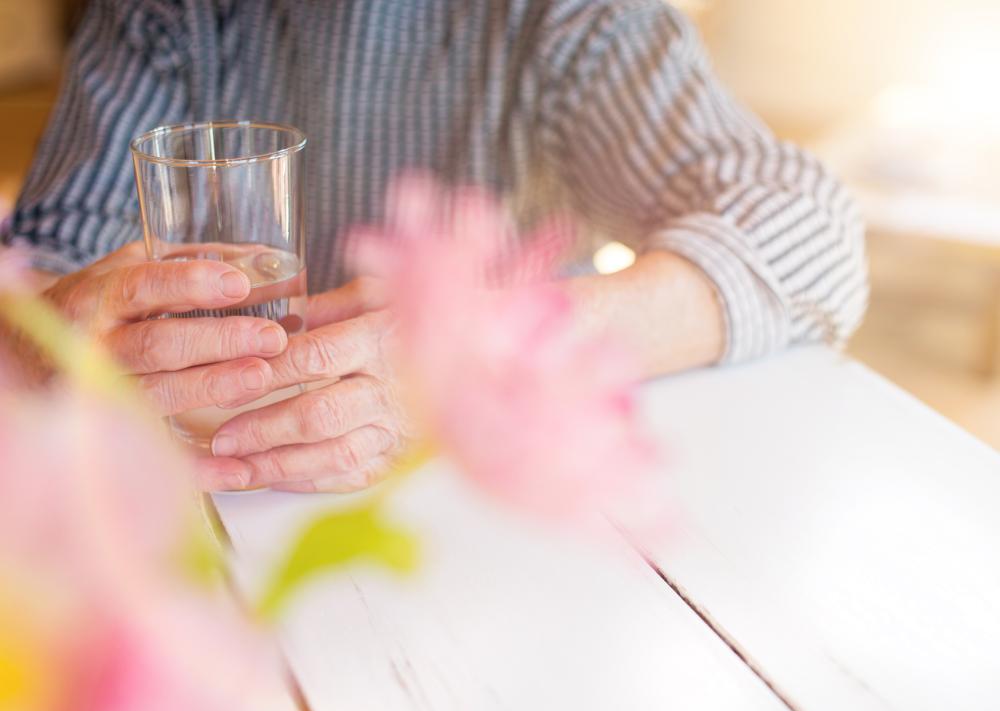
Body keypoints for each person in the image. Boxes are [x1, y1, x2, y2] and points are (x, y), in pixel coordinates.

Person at [1, 0, 867, 492]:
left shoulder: (570, 17)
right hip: (213, 508)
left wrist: (483, 348)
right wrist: (47, 328)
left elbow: (811, 235)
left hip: (496, 514)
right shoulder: (167, 13)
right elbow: (42, 267)